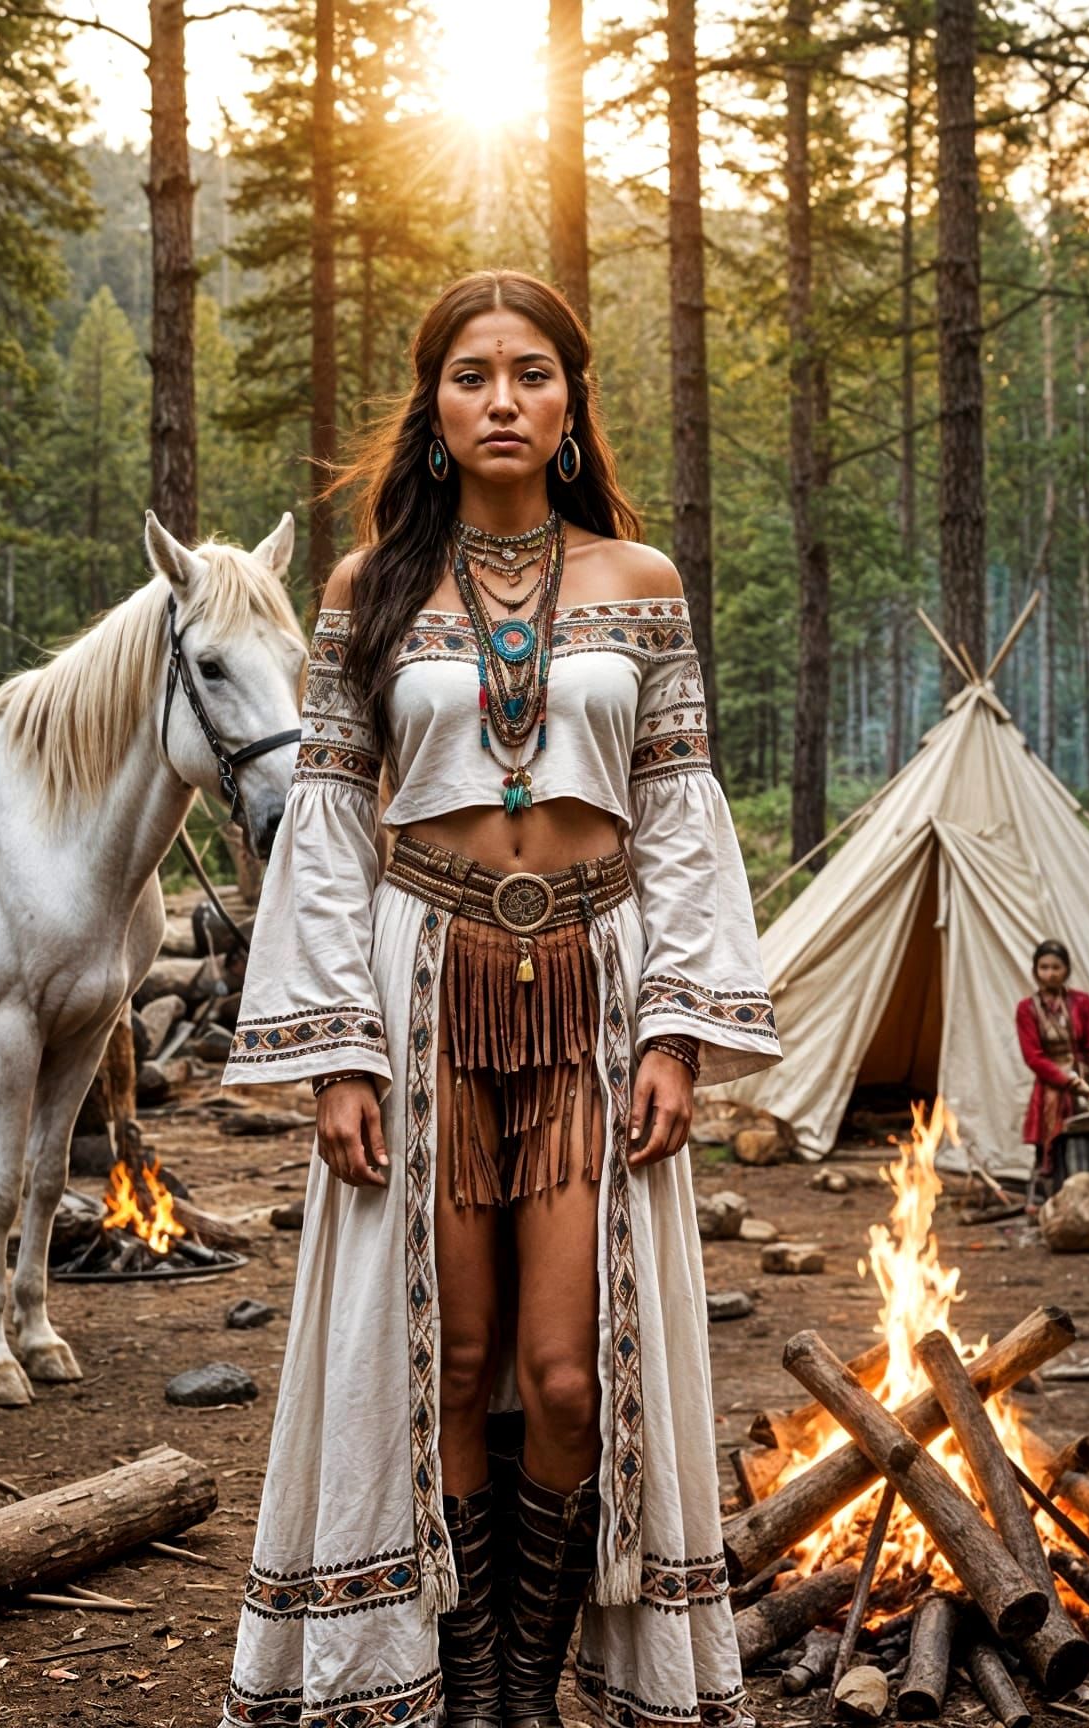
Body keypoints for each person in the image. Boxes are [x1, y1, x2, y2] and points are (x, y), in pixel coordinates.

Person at [219, 270, 780, 1728]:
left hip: (590, 997)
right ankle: (472, 1692)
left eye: (532, 372)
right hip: (425, 997)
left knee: (570, 1372)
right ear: (437, 406)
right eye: (472, 375)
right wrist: (340, 1051)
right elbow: (332, 828)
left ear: (570, 402)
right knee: (451, 1360)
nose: (503, 398)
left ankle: (534, 1680)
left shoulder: (637, 584)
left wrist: (675, 1029)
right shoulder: (367, 592)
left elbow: (677, 808)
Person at [1015, 938, 1089, 1178]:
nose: (1050, 974)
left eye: (1056, 967)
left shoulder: (1082, 1003)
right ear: (1035, 971)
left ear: (1066, 970)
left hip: (1085, 1081)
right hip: (1050, 1085)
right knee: (1051, 1144)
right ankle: (1051, 1194)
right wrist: (1066, 1081)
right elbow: (1033, 1057)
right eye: (1044, 967)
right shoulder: (1027, 1009)